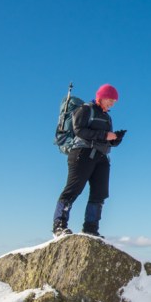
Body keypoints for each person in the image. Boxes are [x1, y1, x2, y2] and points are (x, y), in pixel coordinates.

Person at [52, 84, 125, 238]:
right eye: (110, 100)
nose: (112, 104)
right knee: (73, 189)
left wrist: (114, 139)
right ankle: (59, 226)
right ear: (101, 97)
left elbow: (104, 138)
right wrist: (105, 136)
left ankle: (91, 229)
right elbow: (79, 130)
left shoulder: (107, 116)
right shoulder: (85, 109)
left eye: (114, 102)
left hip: (101, 157)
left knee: (99, 193)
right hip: (82, 154)